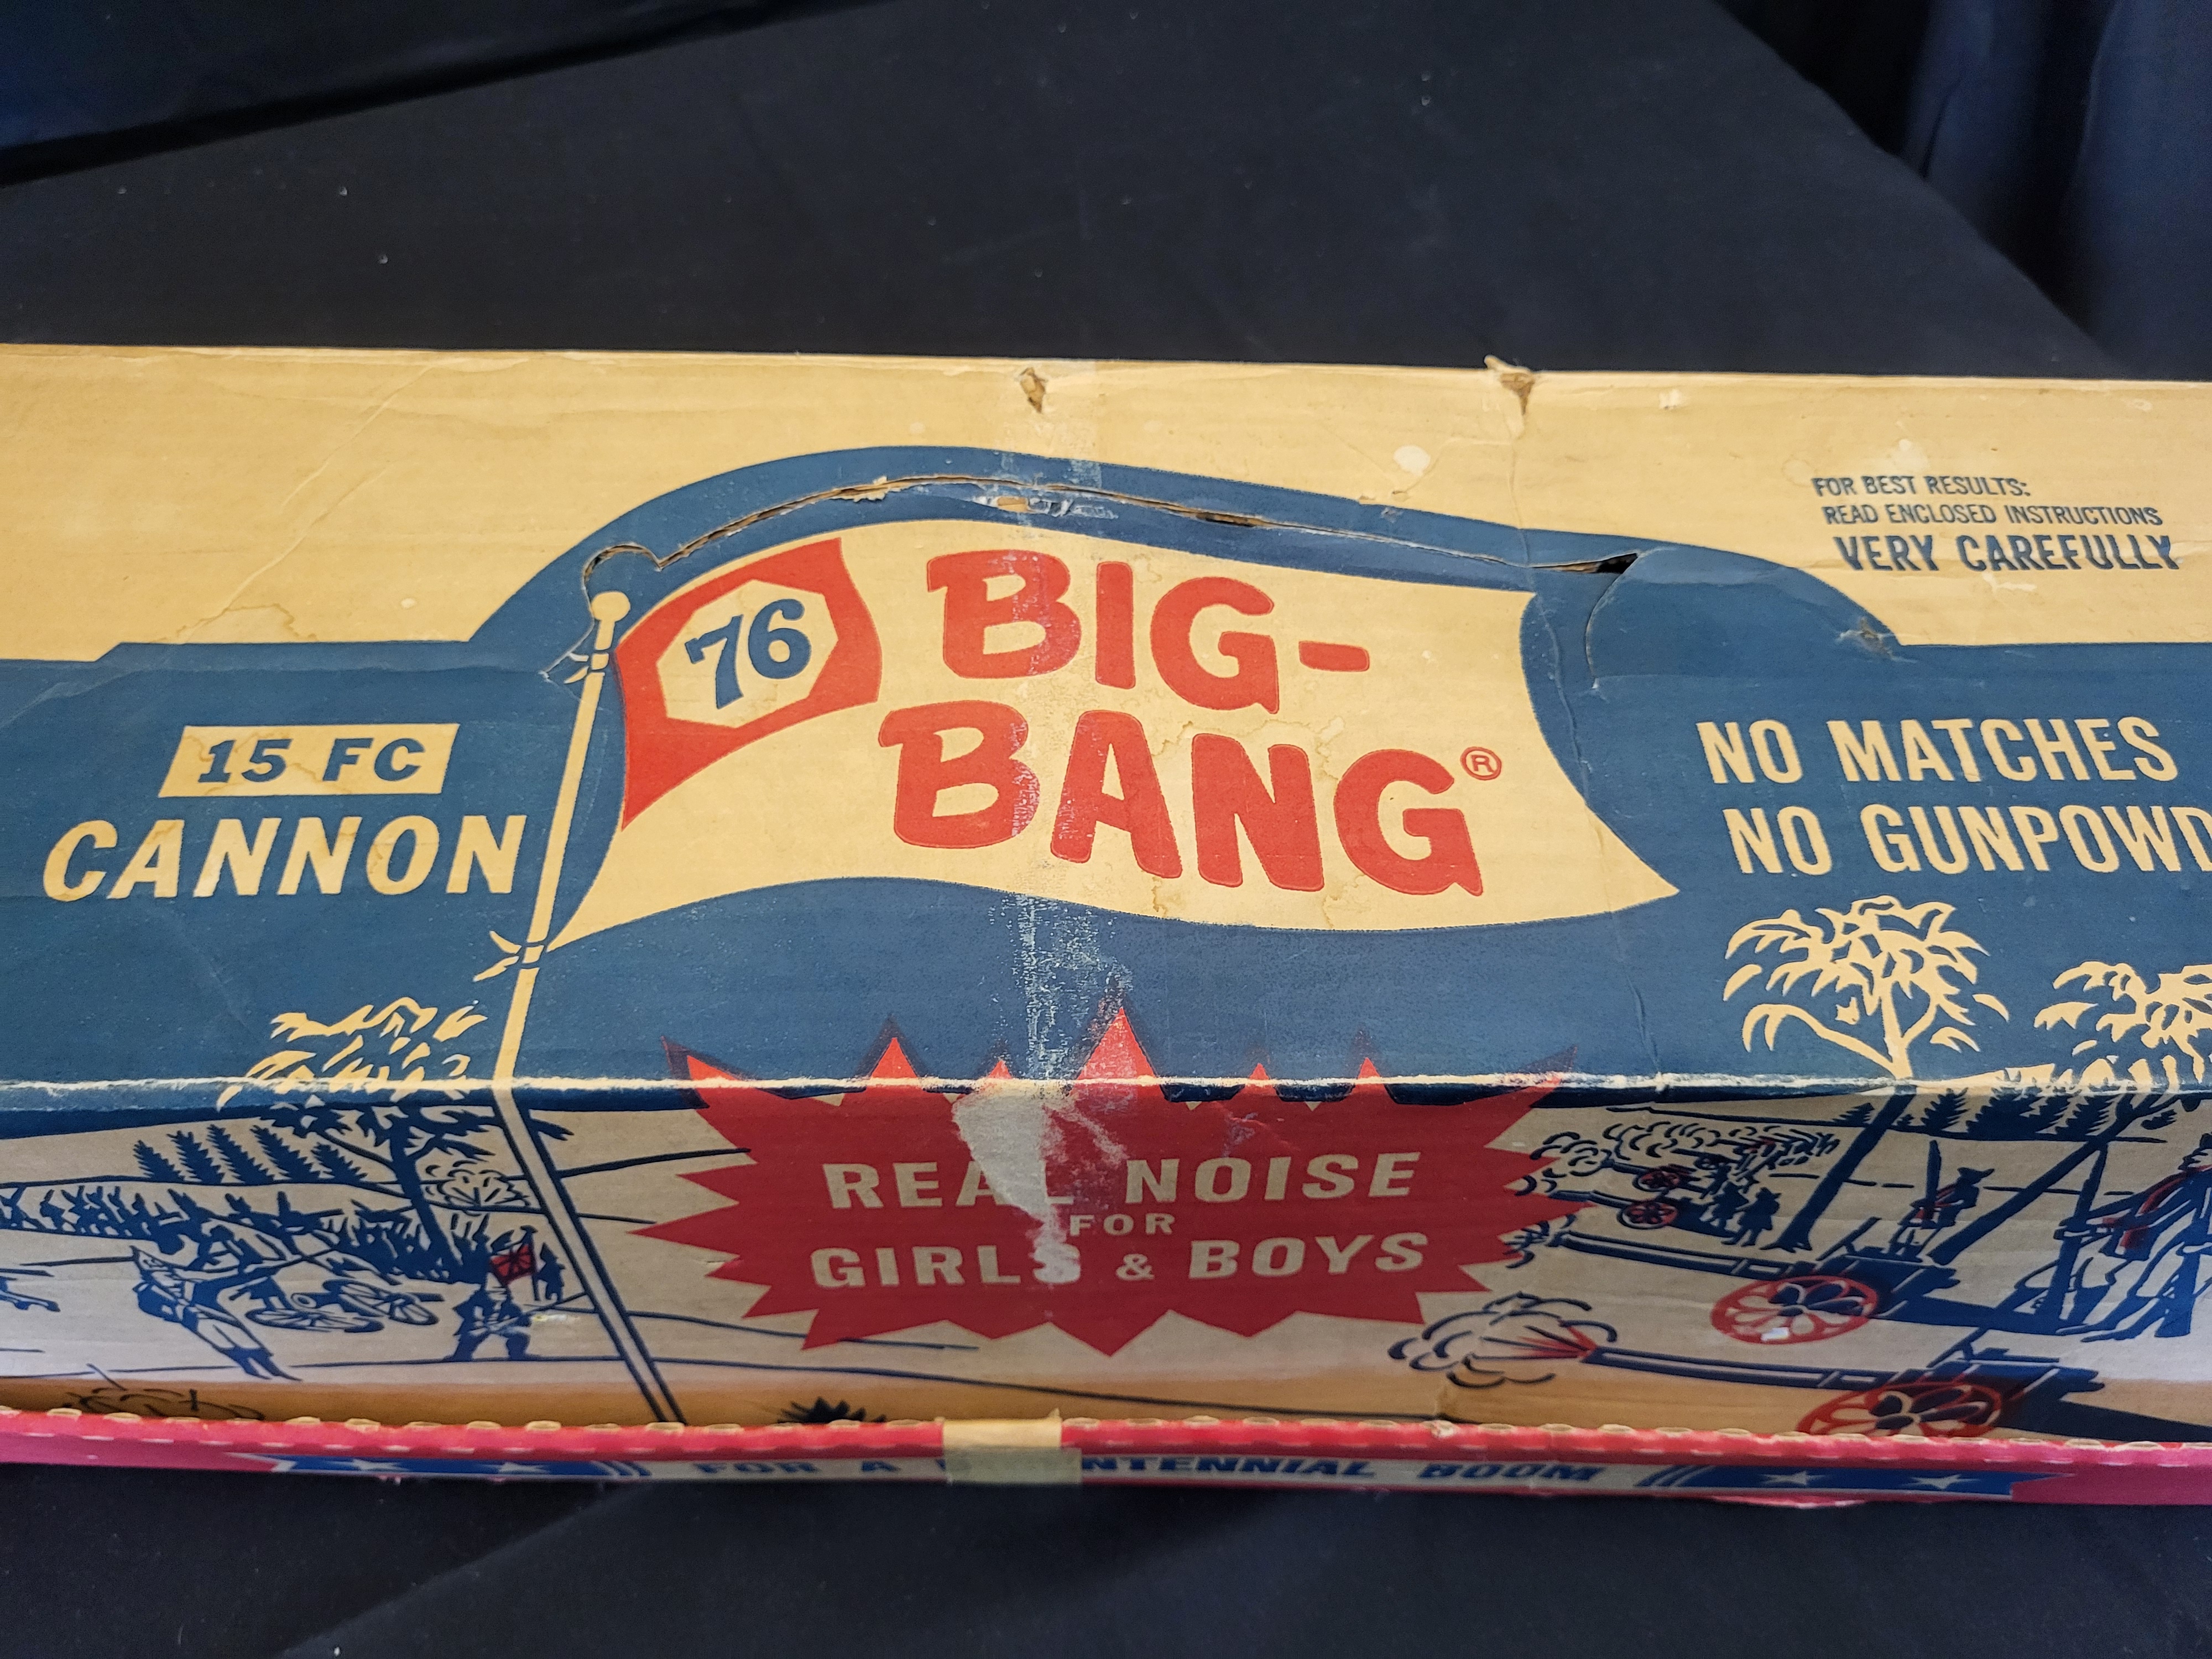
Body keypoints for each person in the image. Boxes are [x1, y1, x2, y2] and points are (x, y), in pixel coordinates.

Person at [2052, 1135, 2212, 1340]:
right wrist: (2088, 1219)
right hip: (2152, 1240)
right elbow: (2135, 1201)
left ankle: (2122, 1328)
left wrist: (2101, 1223)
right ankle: (2109, 1324)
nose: (2191, 1156)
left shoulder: (2203, 1182)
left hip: (2172, 1241)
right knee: (2109, 1276)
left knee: (2150, 1286)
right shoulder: (2179, 1179)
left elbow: (2157, 1216)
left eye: (2202, 1153)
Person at [1888, 1167, 1991, 1258]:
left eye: (1965, 1178)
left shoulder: (1972, 1190)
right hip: (1931, 1208)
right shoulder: (1952, 1187)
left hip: (1945, 1213)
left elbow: (1969, 1203)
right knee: (1912, 1221)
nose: (1960, 1179)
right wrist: (1923, 1201)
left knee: (1925, 1230)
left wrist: (1952, 1206)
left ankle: (1911, 1250)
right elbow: (1935, 1195)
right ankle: (1895, 1244)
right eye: (1962, 1177)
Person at [449, 1277, 533, 1361]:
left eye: (504, 1292)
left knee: (521, 1336)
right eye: (496, 1292)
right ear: (487, 1294)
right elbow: (469, 1316)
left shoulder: (510, 1307)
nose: (501, 1294)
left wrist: (521, 1319)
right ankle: (461, 1355)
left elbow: (524, 1321)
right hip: (480, 1328)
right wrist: (483, 1323)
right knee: (471, 1335)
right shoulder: (478, 1304)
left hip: (501, 1328)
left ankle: (517, 1354)